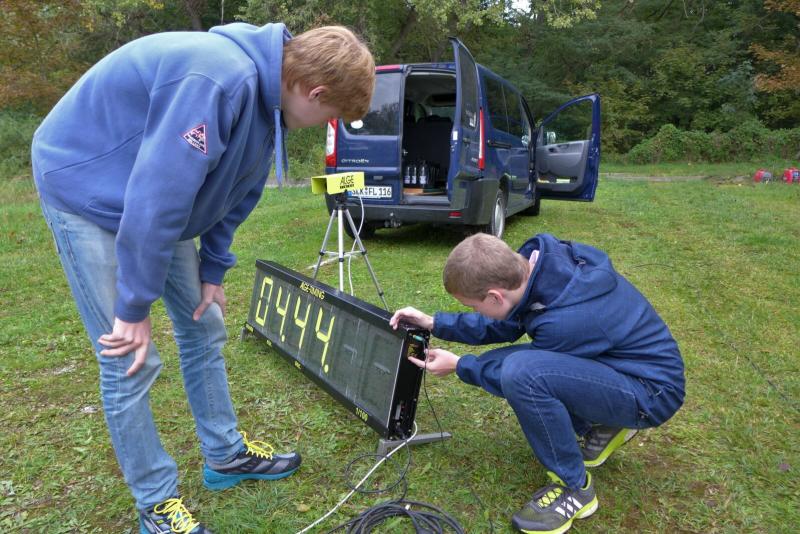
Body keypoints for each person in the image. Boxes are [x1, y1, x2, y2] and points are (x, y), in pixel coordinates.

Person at [31, 21, 374, 533]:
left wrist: (213, 268)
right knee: (128, 355)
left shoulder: (270, 102)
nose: (325, 124)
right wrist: (134, 306)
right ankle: (156, 504)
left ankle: (225, 455)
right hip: (86, 187)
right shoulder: (216, 79)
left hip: (150, 200)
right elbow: (158, 196)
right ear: (315, 91)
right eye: (331, 116)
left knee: (204, 322)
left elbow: (238, 192)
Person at [390, 233, 685, 534]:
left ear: (495, 296)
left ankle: (574, 488)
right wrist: (434, 323)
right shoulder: (537, 271)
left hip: (651, 394)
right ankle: (602, 426)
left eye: (474, 307)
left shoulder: (565, 322)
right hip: (619, 366)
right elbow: (506, 325)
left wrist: (460, 365)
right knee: (517, 365)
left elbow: (522, 377)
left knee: (522, 374)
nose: (476, 311)